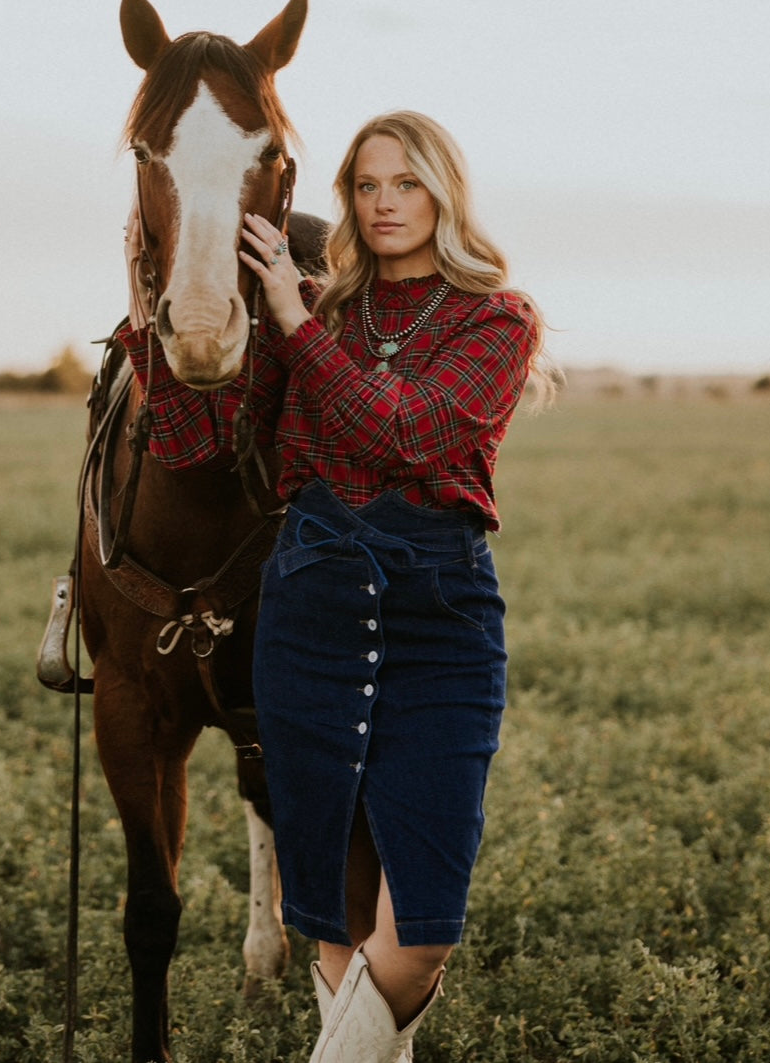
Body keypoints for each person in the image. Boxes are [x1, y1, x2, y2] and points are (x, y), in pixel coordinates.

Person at [121, 111, 550, 1063]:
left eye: (406, 182)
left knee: (422, 930)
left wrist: (290, 317)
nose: (385, 202)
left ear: (444, 191)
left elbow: (400, 432)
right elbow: (196, 444)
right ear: (345, 200)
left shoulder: (496, 318)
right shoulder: (315, 305)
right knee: (333, 907)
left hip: (438, 613)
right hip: (310, 606)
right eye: (365, 185)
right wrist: (159, 297)